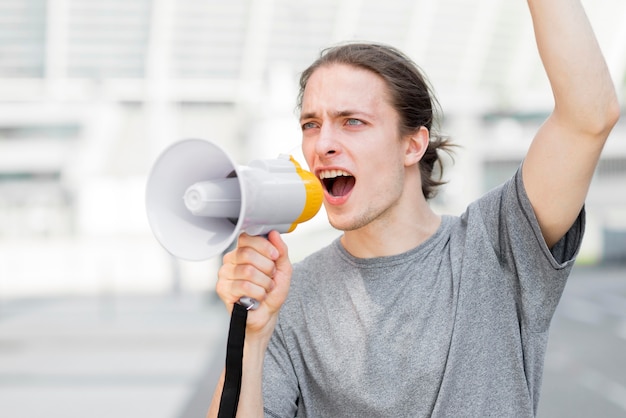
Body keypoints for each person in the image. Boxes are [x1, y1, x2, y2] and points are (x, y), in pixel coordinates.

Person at [208, 0, 620, 416]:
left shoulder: (497, 244)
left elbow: (589, 116)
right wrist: (253, 337)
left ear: (413, 144)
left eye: (352, 121)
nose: (323, 143)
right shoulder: (288, 297)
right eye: (311, 124)